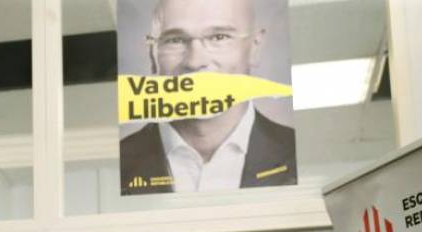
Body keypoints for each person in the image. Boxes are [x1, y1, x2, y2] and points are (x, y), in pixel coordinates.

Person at [120, 0, 297, 195]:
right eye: (175, 40)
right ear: (152, 53)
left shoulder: (297, 155)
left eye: (219, 37)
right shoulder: (120, 162)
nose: (196, 62)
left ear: (254, 47)